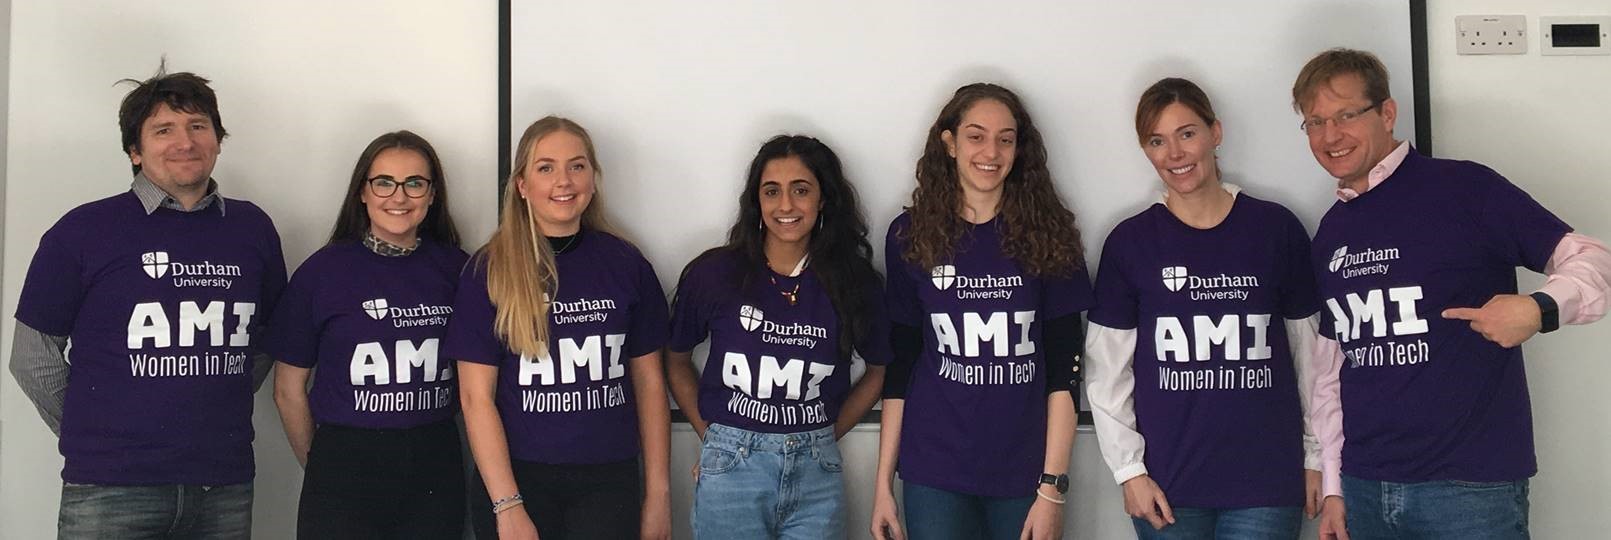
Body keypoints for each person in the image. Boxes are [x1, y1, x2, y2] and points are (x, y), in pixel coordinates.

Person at [1293, 48, 1611, 540]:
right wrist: (1334, 486)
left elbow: (1593, 260)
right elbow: (1332, 371)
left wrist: (1539, 308)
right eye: (1315, 122)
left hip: (1468, 489)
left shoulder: (1465, 188)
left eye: (1346, 115)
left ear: (1387, 113)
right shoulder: (1332, 231)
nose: (1330, 135)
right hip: (1365, 487)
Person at [8, 64, 287, 538]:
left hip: (221, 485)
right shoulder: (83, 231)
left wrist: (210, 400)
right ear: (134, 151)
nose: (185, 142)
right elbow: (33, 357)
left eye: (198, 126)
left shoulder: (252, 229)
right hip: (110, 491)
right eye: (163, 130)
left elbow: (263, 339)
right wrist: (93, 431)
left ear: (218, 140)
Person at [1084, 77, 1323, 539]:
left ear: (1216, 132)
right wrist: (1129, 472)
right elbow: (1106, 371)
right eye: (1157, 141)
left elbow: (1312, 357)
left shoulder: (1275, 230)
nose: (1175, 153)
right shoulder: (1130, 243)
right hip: (1167, 489)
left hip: (1266, 485)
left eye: (1187, 133)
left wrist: (1317, 457)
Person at [870, 82, 1092, 540]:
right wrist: (882, 486)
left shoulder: (1050, 235)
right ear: (949, 143)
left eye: (1005, 139)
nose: (991, 152)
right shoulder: (909, 235)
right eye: (976, 136)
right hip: (934, 471)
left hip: (1025, 473)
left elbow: (1064, 373)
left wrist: (1053, 488)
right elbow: (901, 367)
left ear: (1018, 148)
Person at [445, 116, 672, 540]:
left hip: (609, 481)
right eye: (545, 167)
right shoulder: (488, 270)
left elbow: (650, 384)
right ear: (522, 184)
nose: (563, 181)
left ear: (593, 178)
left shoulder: (626, 263)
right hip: (518, 482)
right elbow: (476, 398)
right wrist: (507, 505)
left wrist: (658, 495)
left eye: (577, 166)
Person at [665, 135, 889, 539]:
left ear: (823, 199)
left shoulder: (854, 283)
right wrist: (713, 437)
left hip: (817, 476)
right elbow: (676, 359)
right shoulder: (716, 274)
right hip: (732, 469)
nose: (785, 205)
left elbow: (878, 371)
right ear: (757, 201)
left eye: (800, 190)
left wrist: (824, 436)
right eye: (772, 191)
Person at [267, 130, 469, 538]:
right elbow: (287, 389)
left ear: (432, 194)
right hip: (344, 467)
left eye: (415, 183)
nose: (399, 197)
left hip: (435, 462)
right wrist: (323, 467)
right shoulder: (322, 272)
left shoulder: (460, 270)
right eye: (384, 183)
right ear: (362, 191)